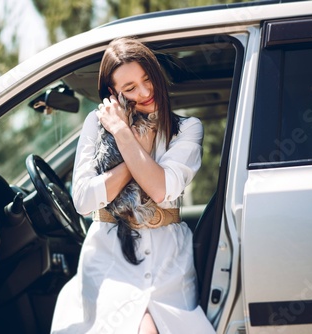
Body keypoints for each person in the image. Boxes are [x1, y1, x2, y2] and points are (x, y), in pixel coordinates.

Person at [51, 37, 215, 334]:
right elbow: (84, 200)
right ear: (113, 93)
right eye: (129, 89)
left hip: (168, 260)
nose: (144, 92)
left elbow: (160, 189)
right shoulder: (95, 123)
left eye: (147, 79)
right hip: (109, 255)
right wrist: (129, 144)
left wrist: (123, 137)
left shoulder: (187, 129)